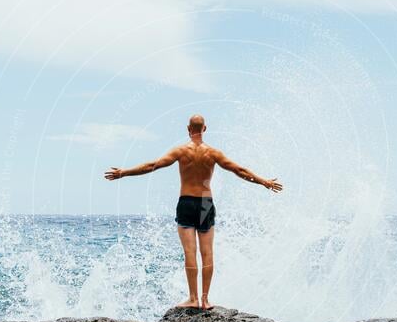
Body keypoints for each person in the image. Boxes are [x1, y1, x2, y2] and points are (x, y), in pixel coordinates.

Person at [104, 114, 283, 310]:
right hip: (206, 203)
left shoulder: (181, 151)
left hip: (186, 202)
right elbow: (239, 170)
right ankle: (205, 300)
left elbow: (152, 165)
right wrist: (263, 181)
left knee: (190, 252)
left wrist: (124, 172)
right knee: (207, 253)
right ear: (204, 129)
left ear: (188, 129)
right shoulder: (213, 153)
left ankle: (193, 298)